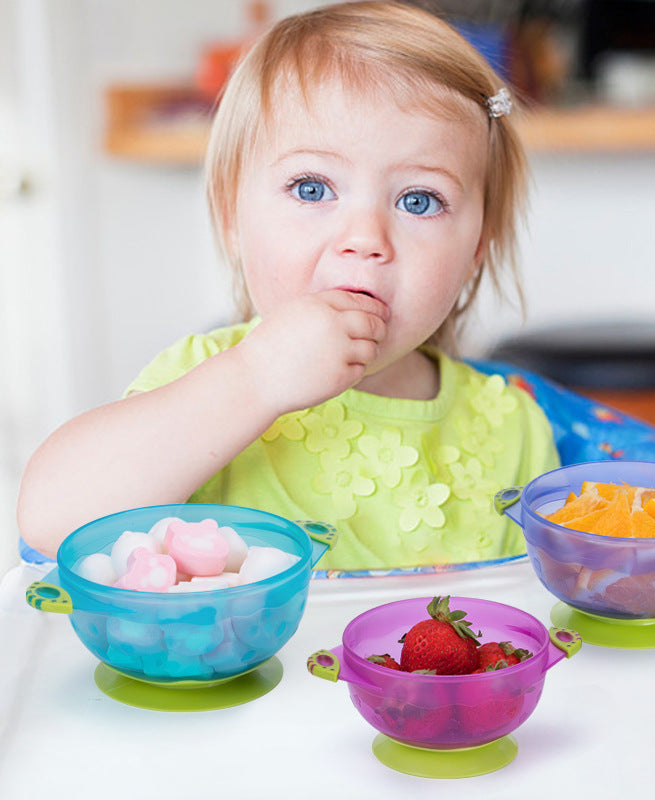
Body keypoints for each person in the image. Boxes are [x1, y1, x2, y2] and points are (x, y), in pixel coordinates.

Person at [17, 0, 562, 571]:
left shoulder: (515, 426)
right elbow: (52, 520)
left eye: (419, 200)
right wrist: (253, 381)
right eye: (311, 189)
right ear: (231, 218)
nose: (365, 238)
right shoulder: (204, 379)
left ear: (476, 248)